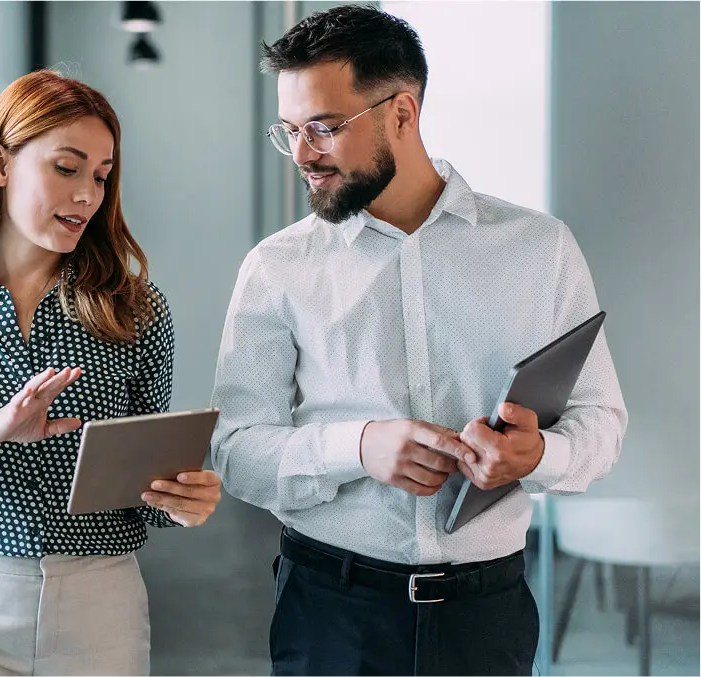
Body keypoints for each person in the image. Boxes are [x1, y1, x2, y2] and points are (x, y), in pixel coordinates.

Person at [209, 5, 627, 675]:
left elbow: (602, 421)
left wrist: (537, 453)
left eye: (324, 127)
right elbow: (235, 452)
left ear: (401, 114)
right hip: (332, 614)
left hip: (488, 617)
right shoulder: (277, 267)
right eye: (289, 131)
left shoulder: (539, 248)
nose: (303, 155)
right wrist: (360, 446)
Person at [0, 69, 222, 676]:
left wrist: (180, 499)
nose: (87, 194)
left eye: (102, 176)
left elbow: (143, 486)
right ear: (1, 164)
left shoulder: (133, 309)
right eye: (67, 167)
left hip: (96, 605)